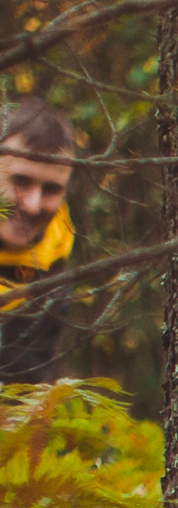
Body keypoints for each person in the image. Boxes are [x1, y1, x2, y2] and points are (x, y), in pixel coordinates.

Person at [0, 101, 78, 382]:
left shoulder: (53, 269)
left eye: (52, 189)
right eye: (21, 181)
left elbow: (21, 390)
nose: (33, 205)